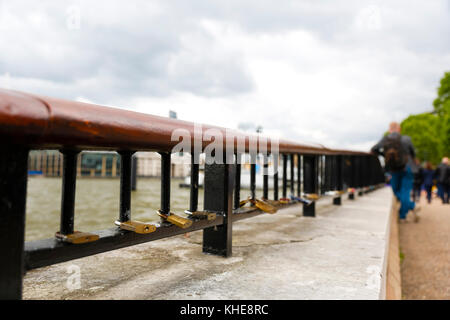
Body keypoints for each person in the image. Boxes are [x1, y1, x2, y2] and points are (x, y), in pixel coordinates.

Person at [371, 122, 420, 223]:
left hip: (394, 169)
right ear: (399, 129)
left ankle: (404, 214)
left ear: (390, 130)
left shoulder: (385, 139)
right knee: (405, 191)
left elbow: (374, 149)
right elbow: (413, 153)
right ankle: (408, 210)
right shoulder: (406, 139)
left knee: (395, 190)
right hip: (407, 167)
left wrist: (384, 155)